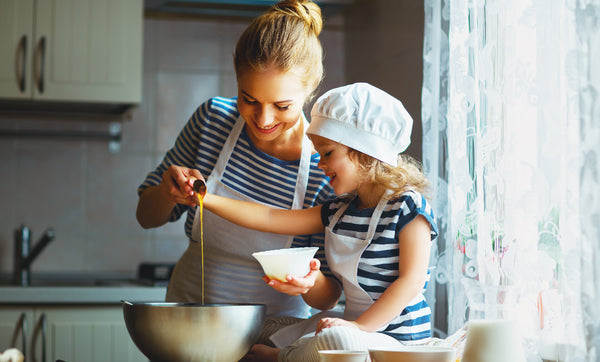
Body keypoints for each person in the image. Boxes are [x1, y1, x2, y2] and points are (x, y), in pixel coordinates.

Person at [135, 0, 337, 345]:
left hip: (271, 339)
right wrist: (166, 193)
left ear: (310, 88)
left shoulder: (325, 163)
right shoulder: (212, 121)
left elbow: (328, 295)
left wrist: (308, 283)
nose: (263, 119)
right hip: (188, 324)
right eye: (249, 99)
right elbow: (146, 216)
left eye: (282, 106)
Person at [196, 82, 438, 361]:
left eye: (327, 153)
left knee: (339, 338)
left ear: (364, 151)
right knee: (261, 327)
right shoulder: (339, 210)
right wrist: (204, 198)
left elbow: (412, 280)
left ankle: (281, 357)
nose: (320, 164)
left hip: (396, 343)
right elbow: (270, 216)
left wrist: (359, 327)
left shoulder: (408, 206)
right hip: (351, 329)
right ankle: (296, 351)